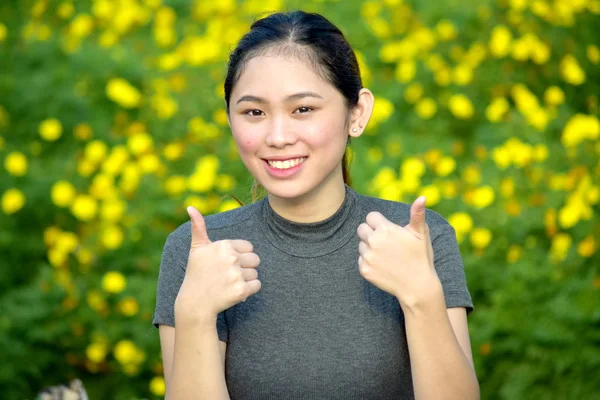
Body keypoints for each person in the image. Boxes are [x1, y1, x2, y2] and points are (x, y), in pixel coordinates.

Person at [153, 10, 479, 400]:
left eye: (302, 109)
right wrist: (194, 315)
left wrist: (421, 295)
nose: (277, 136)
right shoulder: (198, 253)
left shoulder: (417, 239)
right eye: (253, 112)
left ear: (357, 113)